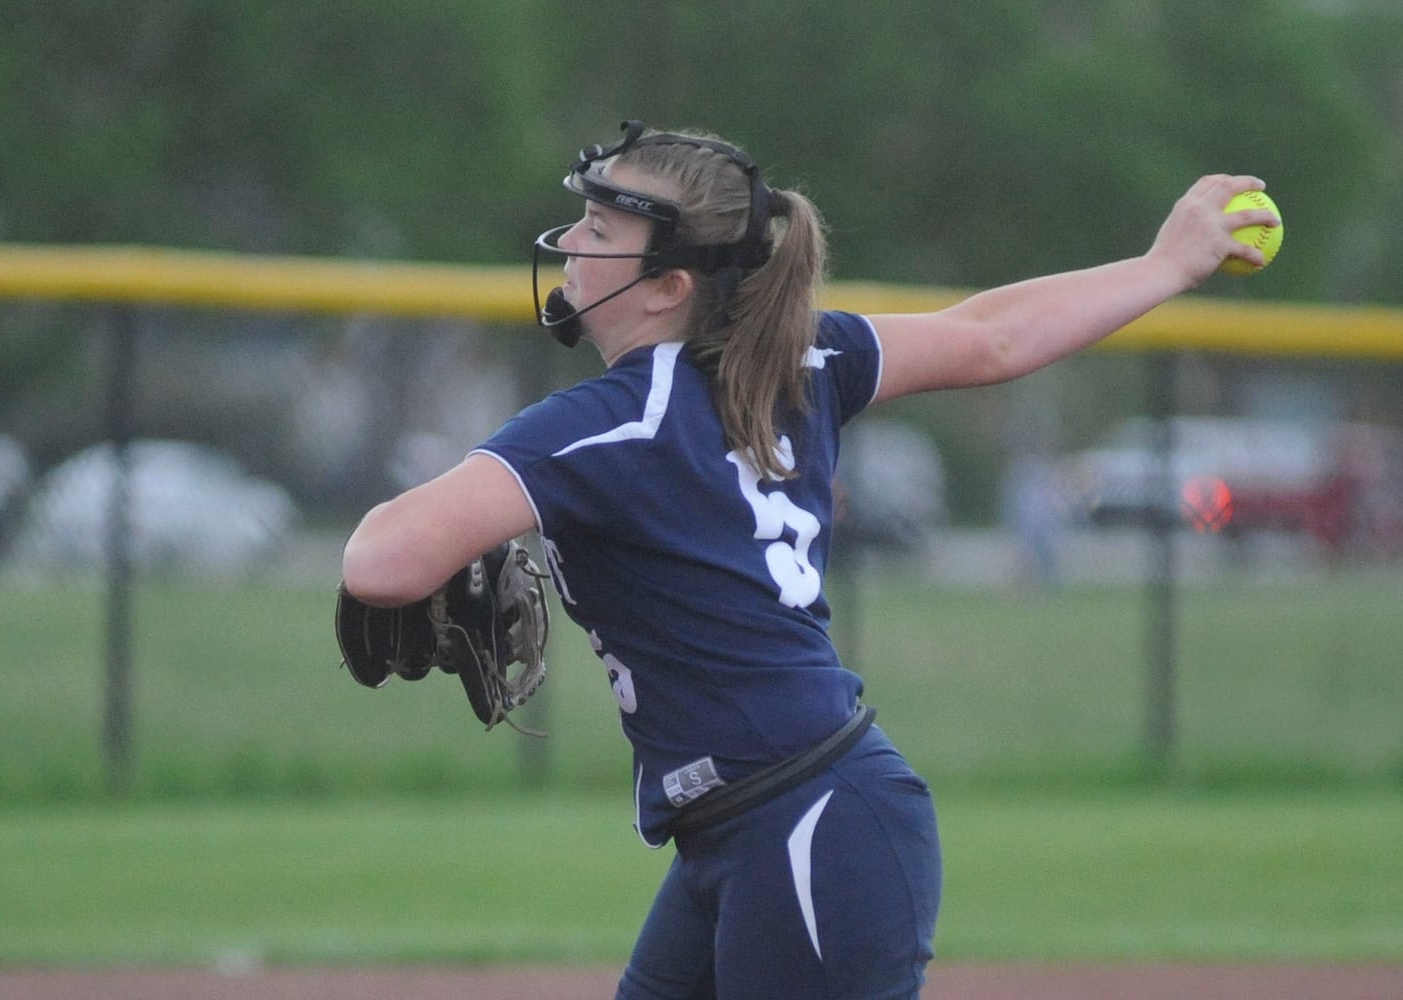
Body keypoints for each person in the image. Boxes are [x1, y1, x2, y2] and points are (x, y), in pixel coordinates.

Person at [340, 119, 1277, 999]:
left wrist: (453, 519)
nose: (571, 244)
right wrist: (1164, 266)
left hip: (806, 826)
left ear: (669, 285)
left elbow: (382, 559)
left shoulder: (615, 420)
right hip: (766, 822)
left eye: (599, 227)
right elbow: (994, 336)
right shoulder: (803, 356)